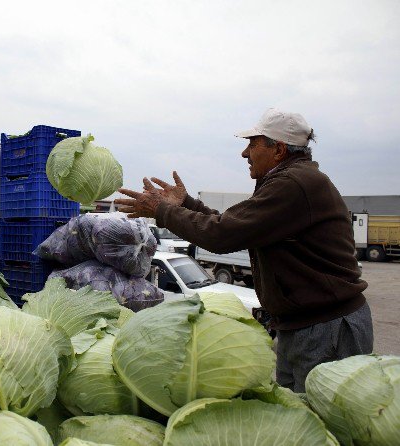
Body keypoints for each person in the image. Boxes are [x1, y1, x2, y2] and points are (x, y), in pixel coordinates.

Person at [115, 108, 373, 392]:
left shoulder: (293, 184)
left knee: (323, 428)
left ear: (279, 150)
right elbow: (235, 224)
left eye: (253, 144)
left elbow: (223, 234)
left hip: (326, 330)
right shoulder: (290, 180)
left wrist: (161, 211)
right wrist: (186, 203)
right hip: (304, 327)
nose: (244, 153)